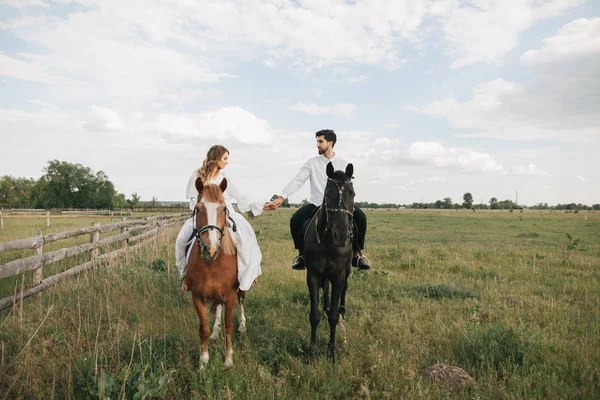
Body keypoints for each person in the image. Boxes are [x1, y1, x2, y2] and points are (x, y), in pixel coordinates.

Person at [265, 129, 371, 270]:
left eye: (320, 141)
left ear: (330, 143)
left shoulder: (344, 163)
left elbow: (351, 188)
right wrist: (282, 196)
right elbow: (298, 180)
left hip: (340, 206)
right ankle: (302, 255)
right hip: (316, 204)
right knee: (295, 219)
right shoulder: (312, 163)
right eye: (317, 141)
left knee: (361, 218)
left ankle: (357, 255)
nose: (317, 145)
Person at [175, 145, 265, 291]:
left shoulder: (224, 178)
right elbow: (192, 198)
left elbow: (239, 196)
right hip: (203, 214)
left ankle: (246, 274)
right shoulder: (196, 176)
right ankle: (185, 276)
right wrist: (202, 209)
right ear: (216, 158)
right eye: (225, 158)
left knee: (244, 238)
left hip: (224, 213)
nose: (227, 162)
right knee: (181, 240)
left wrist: (261, 205)